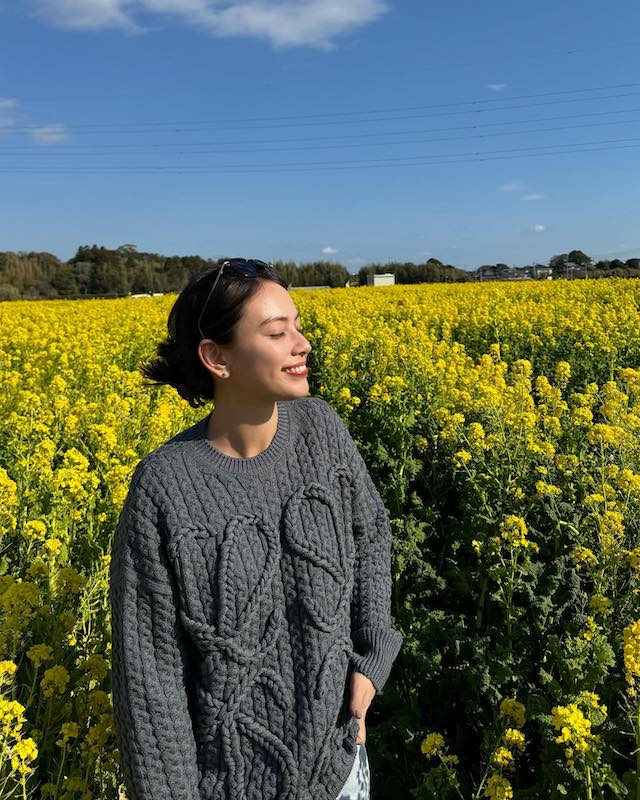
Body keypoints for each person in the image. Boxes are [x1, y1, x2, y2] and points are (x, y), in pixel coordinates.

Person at [109, 258, 403, 800]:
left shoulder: (322, 429)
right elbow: (151, 685)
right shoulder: (165, 488)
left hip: (342, 768)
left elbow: (371, 538)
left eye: (297, 324)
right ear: (216, 357)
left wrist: (371, 655)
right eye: (277, 331)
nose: (303, 343)